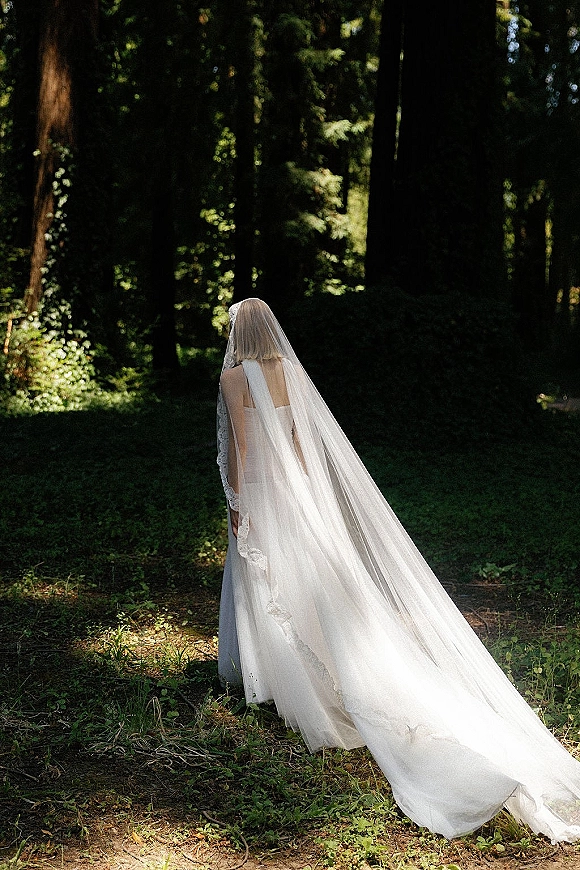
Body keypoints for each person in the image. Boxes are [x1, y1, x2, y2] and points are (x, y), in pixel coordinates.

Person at [217, 297, 580, 843]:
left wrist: (239, 502)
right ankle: (302, 676)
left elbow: (245, 445)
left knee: (263, 580)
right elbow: (297, 440)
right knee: (298, 582)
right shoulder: (287, 370)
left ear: (237, 332)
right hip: (296, 492)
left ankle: (270, 681)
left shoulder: (235, 378)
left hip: (264, 491)